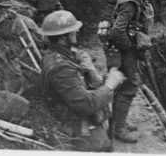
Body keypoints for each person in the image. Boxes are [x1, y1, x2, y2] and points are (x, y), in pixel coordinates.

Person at [41, 10, 125, 152]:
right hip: (75, 126)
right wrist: (110, 85)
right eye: (72, 31)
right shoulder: (60, 68)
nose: (77, 32)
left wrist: (93, 74)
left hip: (74, 115)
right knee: (103, 145)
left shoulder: (60, 55)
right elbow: (85, 104)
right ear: (62, 37)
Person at [109, 0, 155, 143]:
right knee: (130, 85)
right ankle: (118, 129)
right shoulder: (131, 0)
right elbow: (117, 30)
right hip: (124, 48)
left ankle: (117, 122)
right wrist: (130, 48)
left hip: (124, 46)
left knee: (121, 85)